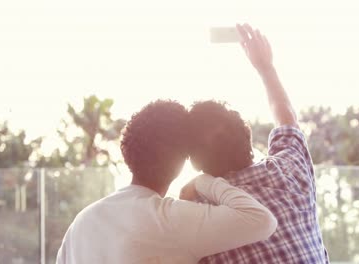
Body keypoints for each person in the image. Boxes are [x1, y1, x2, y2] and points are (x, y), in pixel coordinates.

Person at [56, 100, 277, 264]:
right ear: (182, 161)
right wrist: (204, 182)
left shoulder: (81, 223)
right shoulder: (171, 219)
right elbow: (260, 219)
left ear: (128, 151)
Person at [184, 24, 330, 263]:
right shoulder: (290, 170)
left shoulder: (196, 215)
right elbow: (286, 116)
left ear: (194, 159)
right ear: (247, 134)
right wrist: (265, 67)